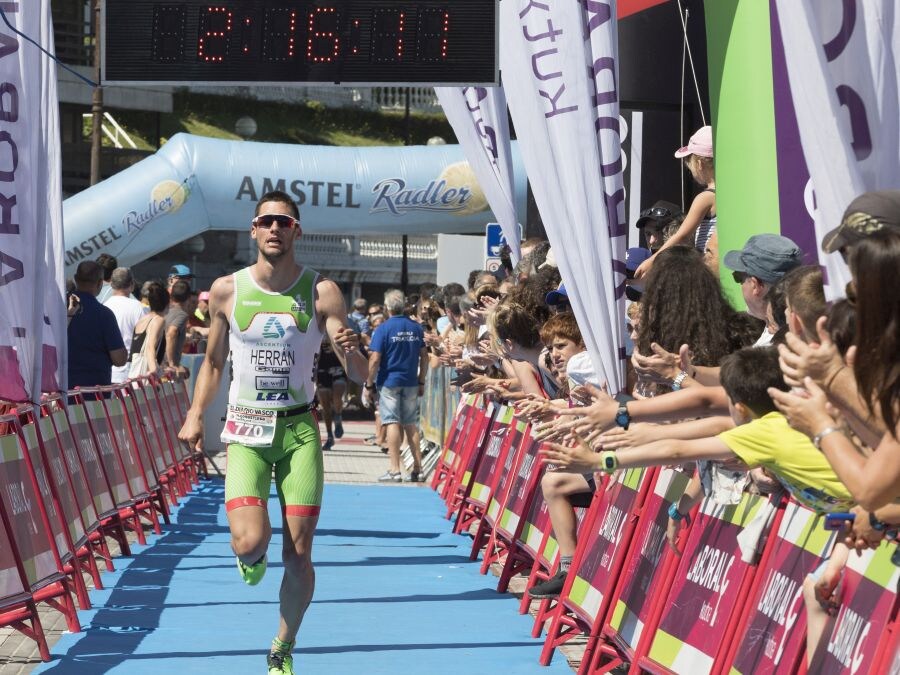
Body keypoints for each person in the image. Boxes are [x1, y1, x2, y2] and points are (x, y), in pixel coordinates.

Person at [178, 190, 366, 675]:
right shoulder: (226, 290)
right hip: (246, 430)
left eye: (285, 221)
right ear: (254, 231)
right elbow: (215, 362)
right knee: (248, 543)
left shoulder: (322, 293)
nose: (276, 228)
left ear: (297, 231)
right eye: (267, 221)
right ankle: (251, 554)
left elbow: (360, 375)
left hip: (300, 430)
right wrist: (197, 413)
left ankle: (283, 645)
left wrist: (353, 350)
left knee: (299, 554)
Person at [364, 289, 428, 482]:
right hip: (410, 381)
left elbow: (375, 359)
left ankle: (394, 469)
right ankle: (418, 468)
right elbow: (424, 356)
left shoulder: (382, 329)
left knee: (391, 421)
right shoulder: (416, 328)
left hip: (389, 381)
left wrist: (369, 383)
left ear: (387, 308)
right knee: (410, 423)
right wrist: (421, 380)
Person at [635, 127, 716, 278]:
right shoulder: (723, 194)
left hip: (708, 271)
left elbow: (682, 235)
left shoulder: (705, 197)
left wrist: (652, 260)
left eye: (688, 162)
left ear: (699, 164)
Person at [67, 261, 128, 388]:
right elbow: (119, 359)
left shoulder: (58, 308)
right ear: (100, 283)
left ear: (76, 278)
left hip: (59, 393)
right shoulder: (104, 315)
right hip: (94, 395)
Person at [103, 267, 148, 383]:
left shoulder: (104, 306)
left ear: (111, 284)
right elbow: (144, 341)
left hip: (107, 372)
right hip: (129, 374)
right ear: (132, 284)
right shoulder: (138, 308)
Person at [127, 282, 168, 378]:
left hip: (132, 373)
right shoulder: (158, 320)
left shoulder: (142, 320)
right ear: (167, 304)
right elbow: (150, 346)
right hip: (145, 377)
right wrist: (154, 369)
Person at [315, 337, 347, 450]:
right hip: (322, 370)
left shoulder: (336, 325)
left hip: (338, 367)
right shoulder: (316, 325)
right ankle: (329, 436)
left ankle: (338, 416)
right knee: (325, 407)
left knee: (337, 396)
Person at [165, 279, 191, 375]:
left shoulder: (165, 311)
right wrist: (172, 363)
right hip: (168, 370)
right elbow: (171, 333)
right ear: (188, 298)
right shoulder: (182, 315)